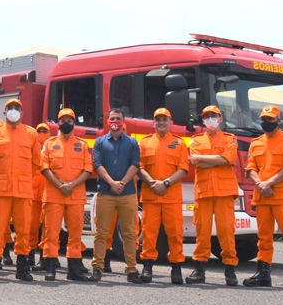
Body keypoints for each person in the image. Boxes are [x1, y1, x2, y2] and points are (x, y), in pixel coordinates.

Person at [243, 105, 283, 292]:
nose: (265, 122)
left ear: (279, 121)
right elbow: (250, 167)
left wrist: (267, 183)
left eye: (270, 119)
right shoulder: (256, 143)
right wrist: (260, 184)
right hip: (262, 197)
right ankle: (263, 275)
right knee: (263, 238)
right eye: (263, 119)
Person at [0, 99, 39, 281]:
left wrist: (23, 176)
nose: (13, 111)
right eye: (10, 108)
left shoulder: (31, 134)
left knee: (24, 229)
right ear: (5, 113)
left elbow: (36, 161)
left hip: (23, 189)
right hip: (1, 189)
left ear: (22, 114)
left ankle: (22, 268)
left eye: (17, 108)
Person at [186, 105, 239, 286]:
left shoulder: (230, 139)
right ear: (203, 120)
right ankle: (199, 269)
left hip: (224, 192)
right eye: (207, 116)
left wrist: (204, 158)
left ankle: (230, 270)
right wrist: (219, 160)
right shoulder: (195, 140)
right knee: (202, 232)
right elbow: (196, 164)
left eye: (213, 116)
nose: (210, 119)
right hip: (204, 191)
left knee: (226, 232)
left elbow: (228, 159)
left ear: (220, 118)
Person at [137, 108, 190, 284]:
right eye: (157, 119)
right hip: (151, 195)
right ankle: (147, 265)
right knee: (149, 233)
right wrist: (153, 183)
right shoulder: (144, 143)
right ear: (153, 123)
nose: (161, 122)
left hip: (171, 196)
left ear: (171, 122)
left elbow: (183, 169)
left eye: (164, 119)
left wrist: (165, 183)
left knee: (175, 233)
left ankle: (176, 267)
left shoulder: (179, 143)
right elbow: (140, 167)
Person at [40, 109, 92, 281]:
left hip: (75, 195)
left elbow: (87, 170)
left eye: (70, 120)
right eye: (63, 120)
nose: (66, 124)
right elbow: (44, 168)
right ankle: (50, 267)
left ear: (74, 123)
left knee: (76, 233)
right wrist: (60, 185)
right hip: (54, 194)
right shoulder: (49, 144)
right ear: (58, 123)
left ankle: (74, 267)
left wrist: (71, 185)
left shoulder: (82, 145)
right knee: (51, 232)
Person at [90, 108, 142, 283]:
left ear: (123, 121)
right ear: (107, 121)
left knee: (129, 233)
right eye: (112, 118)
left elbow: (135, 165)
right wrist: (112, 183)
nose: (115, 121)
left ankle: (132, 270)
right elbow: (97, 164)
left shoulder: (132, 143)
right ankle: (97, 267)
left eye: (118, 118)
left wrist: (122, 183)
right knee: (101, 232)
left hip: (127, 194)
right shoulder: (99, 142)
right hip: (106, 193)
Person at [28, 122, 51, 271]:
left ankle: (45, 258)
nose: (42, 133)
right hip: (33, 195)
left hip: (48, 195)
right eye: (39, 130)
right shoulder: (31, 149)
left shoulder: (51, 149)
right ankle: (29, 256)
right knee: (31, 228)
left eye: (45, 131)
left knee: (48, 229)